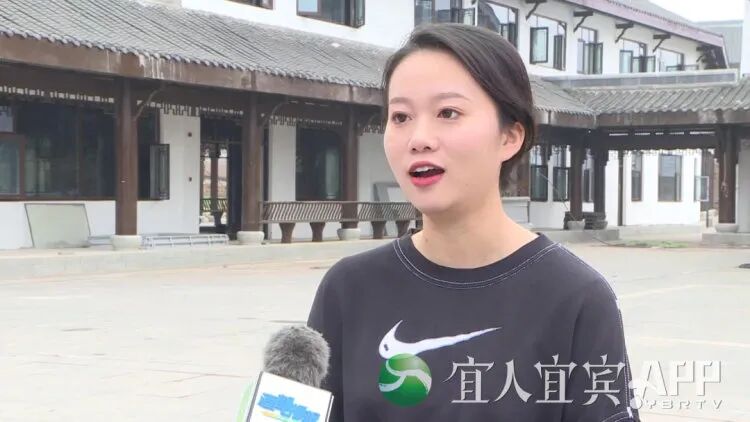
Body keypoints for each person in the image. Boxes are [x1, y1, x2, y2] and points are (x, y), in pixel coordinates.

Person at [308, 23, 640, 421]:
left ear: (510, 137)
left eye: (448, 113)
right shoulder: (348, 289)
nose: (418, 138)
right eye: (400, 116)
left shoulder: (577, 298)